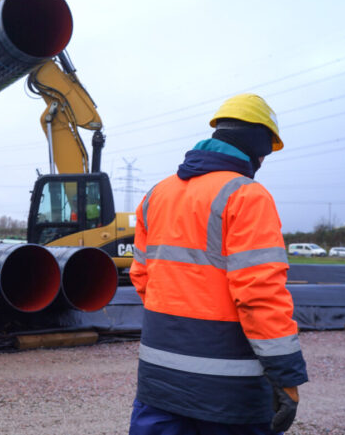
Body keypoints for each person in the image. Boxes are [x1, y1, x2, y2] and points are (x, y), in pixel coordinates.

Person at [128, 93, 308, 435]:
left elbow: (142, 277)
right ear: (257, 144)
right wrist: (286, 376)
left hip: (159, 381)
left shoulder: (157, 194)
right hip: (229, 393)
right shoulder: (246, 195)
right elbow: (260, 295)